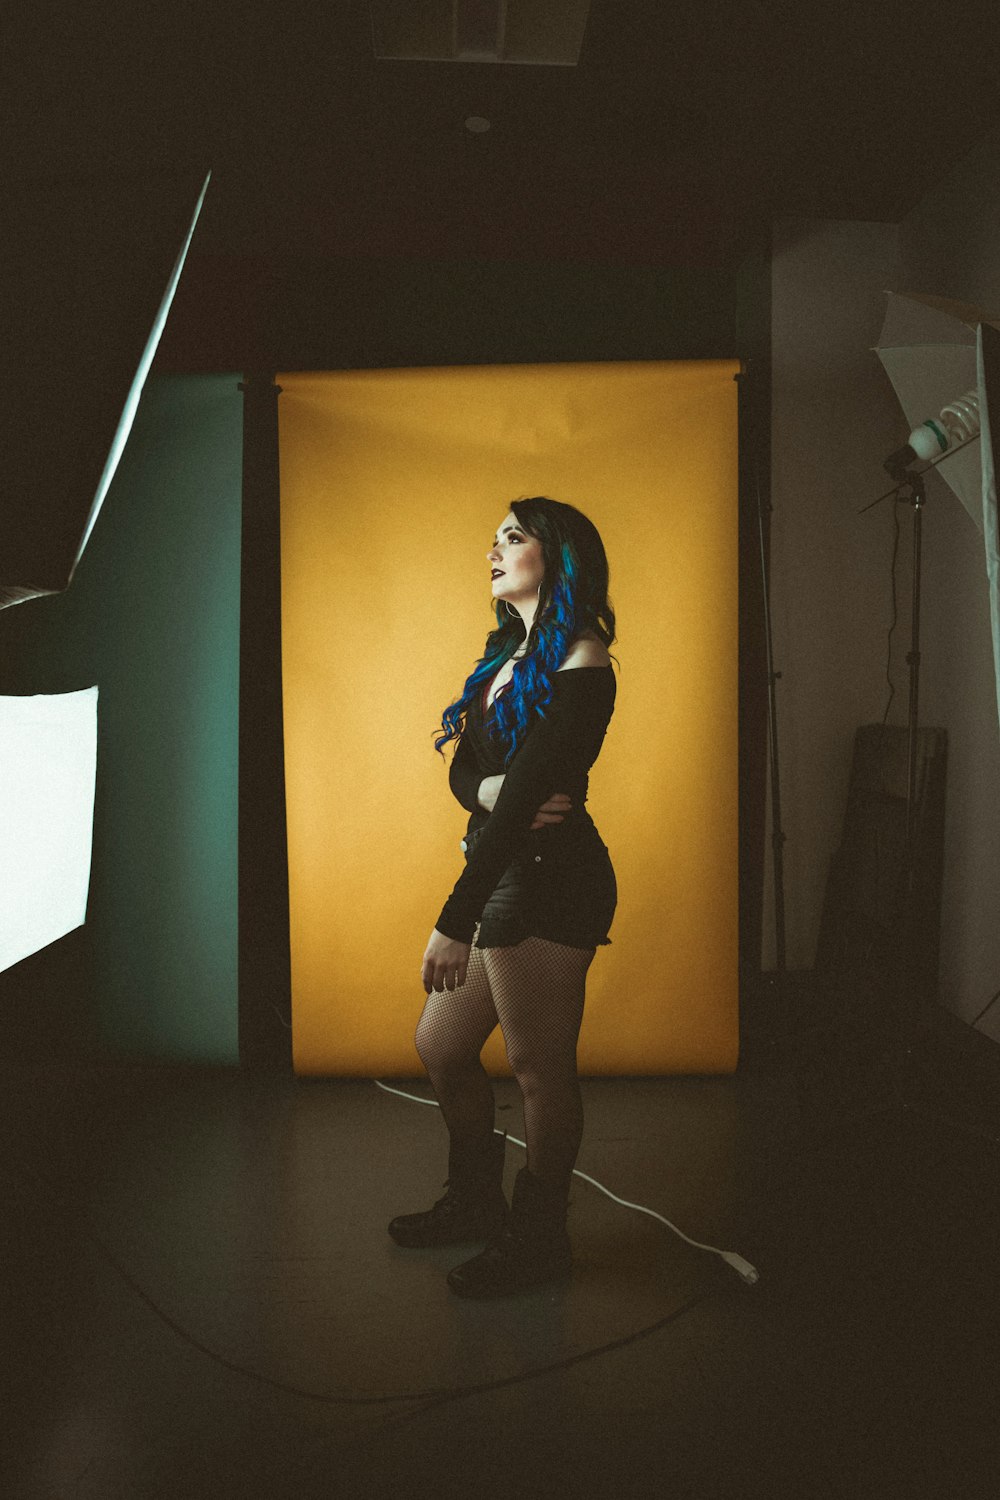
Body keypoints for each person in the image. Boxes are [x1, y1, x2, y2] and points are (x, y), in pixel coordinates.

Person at [388, 495, 619, 1299]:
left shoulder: (582, 662)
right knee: (444, 1047)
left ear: (557, 557)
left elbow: (525, 808)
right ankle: (475, 1200)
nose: (494, 549)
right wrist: (484, 785)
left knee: (536, 1066)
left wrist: (456, 921)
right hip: (506, 873)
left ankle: (539, 1237)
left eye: (512, 538)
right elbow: (468, 774)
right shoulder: (502, 660)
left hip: (553, 882)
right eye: (493, 539)